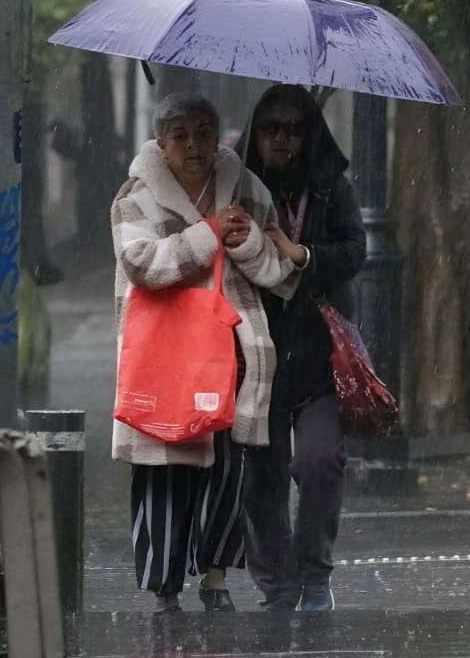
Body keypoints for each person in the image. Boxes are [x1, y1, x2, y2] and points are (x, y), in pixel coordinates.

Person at [110, 92, 292, 613]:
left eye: (204, 133)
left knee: (226, 470)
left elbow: (277, 274)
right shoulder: (135, 196)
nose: (194, 145)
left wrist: (246, 240)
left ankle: (216, 578)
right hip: (165, 357)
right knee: (164, 467)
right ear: (161, 142)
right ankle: (164, 589)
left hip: (231, 352)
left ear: (218, 138)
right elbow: (145, 265)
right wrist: (209, 234)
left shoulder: (247, 189)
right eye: (180, 135)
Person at [240, 84, 367, 613]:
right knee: (259, 476)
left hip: (319, 357)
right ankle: (277, 582)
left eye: (294, 128)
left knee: (319, 462)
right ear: (256, 133)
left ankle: (315, 573)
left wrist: (303, 254)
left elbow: (355, 250)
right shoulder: (238, 188)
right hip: (255, 357)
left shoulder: (331, 187)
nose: (283, 139)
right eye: (271, 128)